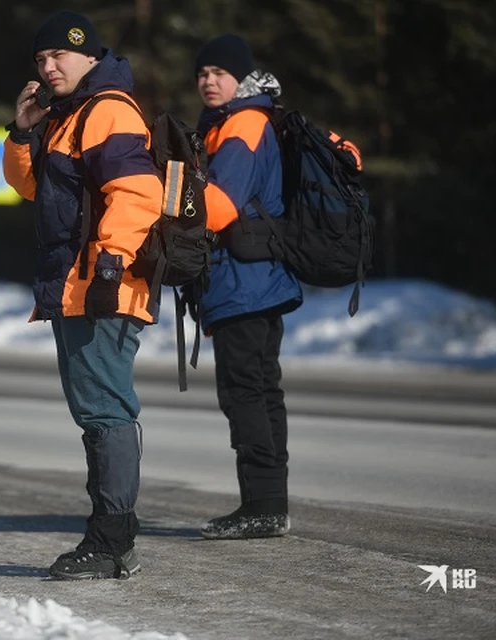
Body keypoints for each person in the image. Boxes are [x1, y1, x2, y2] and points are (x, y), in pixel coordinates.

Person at [3, 11, 163, 579]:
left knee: (104, 409)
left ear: (90, 57)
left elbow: (138, 190)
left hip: (101, 286)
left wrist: (111, 265)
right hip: (77, 285)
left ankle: (113, 539)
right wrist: (22, 132)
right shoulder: (65, 116)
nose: (49, 68)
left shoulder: (107, 109)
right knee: (96, 410)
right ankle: (112, 536)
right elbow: (29, 187)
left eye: (60, 57)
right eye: (41, 60)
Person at [192, 34, 303, 539]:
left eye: (219, 72)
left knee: (245, 394)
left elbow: (219, 206)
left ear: (241, 77)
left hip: (243, 284)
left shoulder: (240, 125)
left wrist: (172, 199)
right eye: (202, 73)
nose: (208, 81)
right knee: (261, 391)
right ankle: (269, 504)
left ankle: (261, 506)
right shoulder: (242, 122)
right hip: (260, 280)